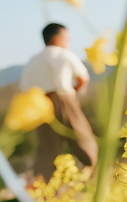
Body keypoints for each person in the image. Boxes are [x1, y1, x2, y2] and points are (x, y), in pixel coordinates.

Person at [19, 22, 98, 180]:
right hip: (63, 98)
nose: (68, 42)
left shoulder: (32, 60)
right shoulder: (63, 54)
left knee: (47, 149)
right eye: (66, 38)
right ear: (57, 38)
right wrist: (73, 94)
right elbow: (83, 78)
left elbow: (24, 88)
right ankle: (93, 176)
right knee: (83, 138)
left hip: (41, 106)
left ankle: (43, 186)